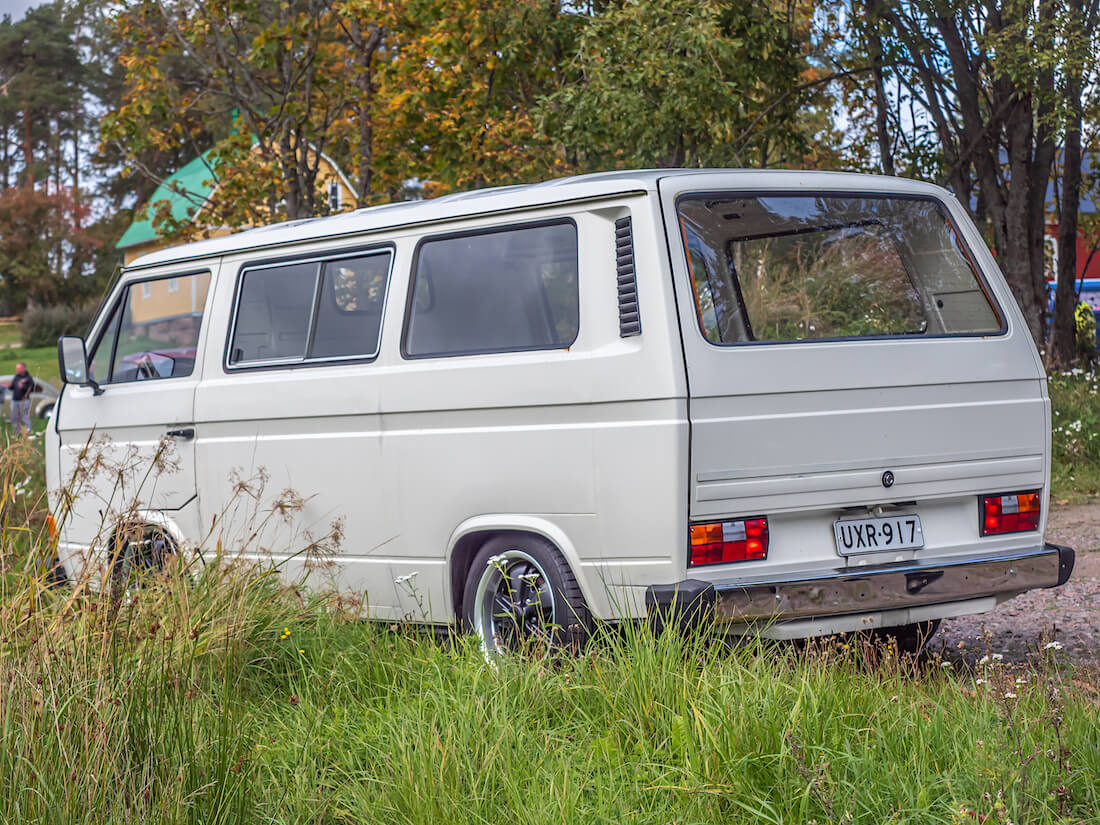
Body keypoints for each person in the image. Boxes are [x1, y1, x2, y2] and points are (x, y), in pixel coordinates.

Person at [8, 362, 34, 436]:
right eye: (17, 368)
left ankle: (28, 432)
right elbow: (12, 387)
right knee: (14, 417)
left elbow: (31, 389)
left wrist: (23, 387)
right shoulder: (16, 377)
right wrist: (10, 386)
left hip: (24, 400)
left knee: (25, 416)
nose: (17, 370)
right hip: (15, 400)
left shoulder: (28, 378)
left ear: (23, 368)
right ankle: (17, 433)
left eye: (18, 368)